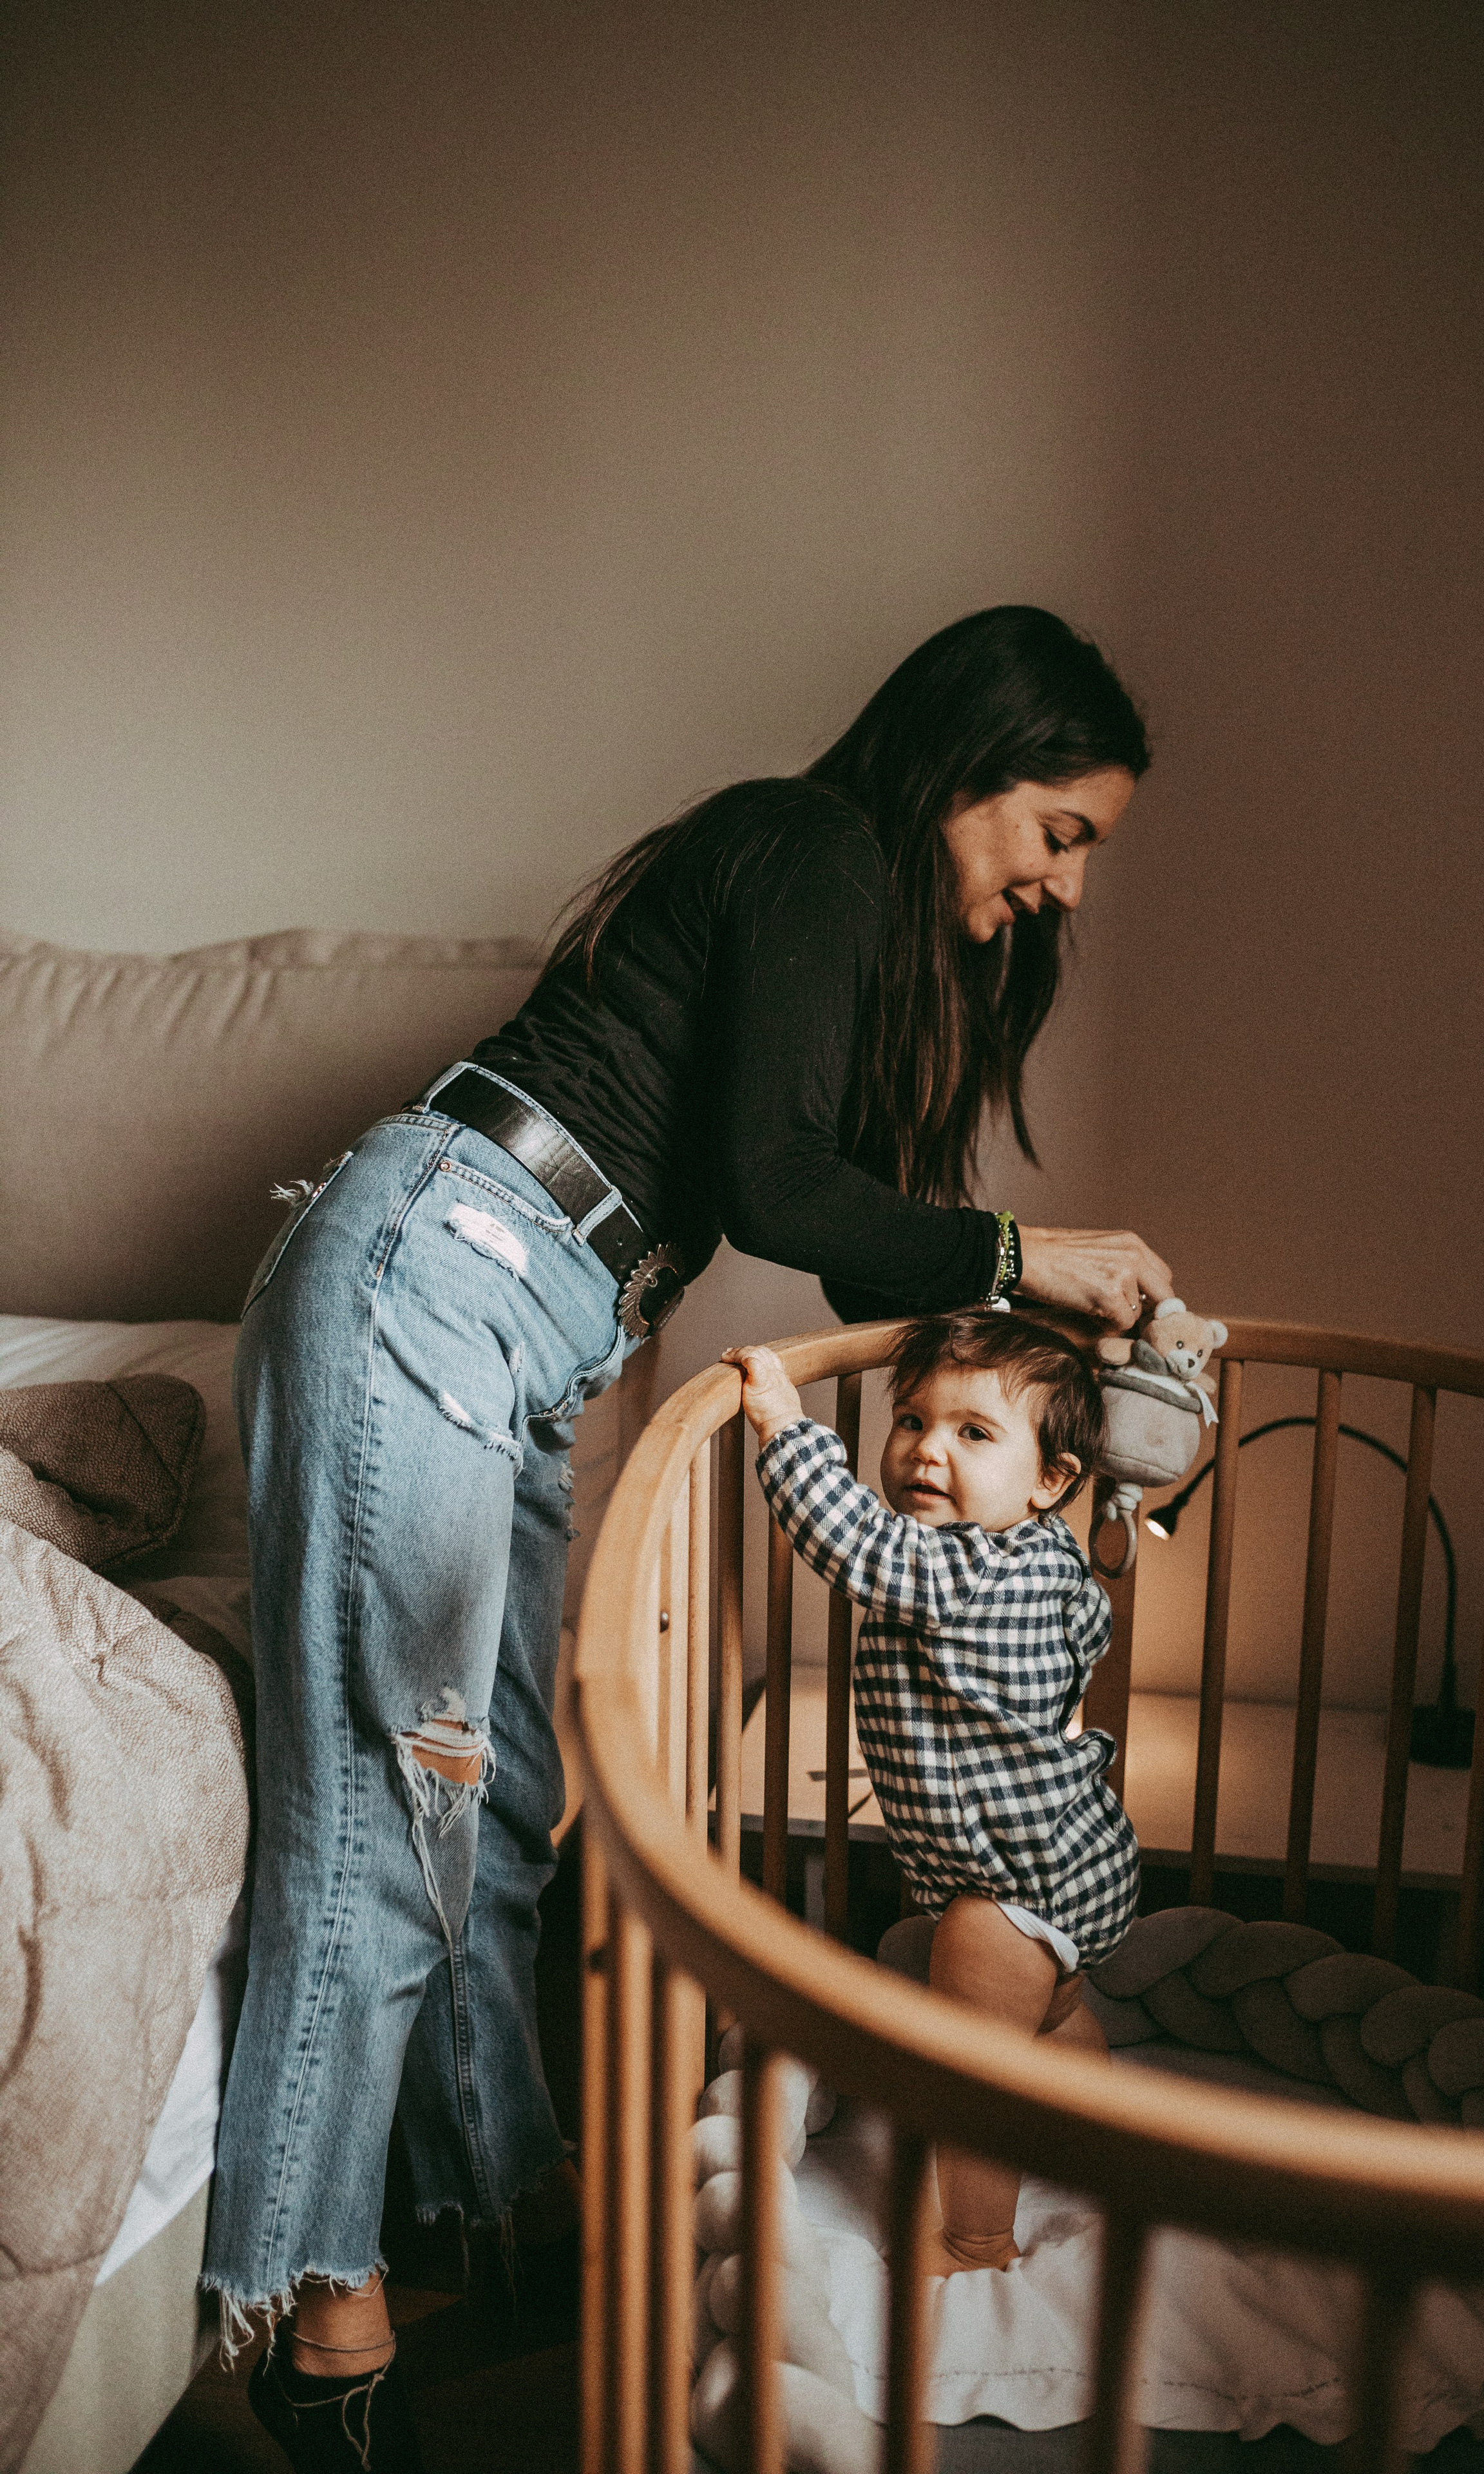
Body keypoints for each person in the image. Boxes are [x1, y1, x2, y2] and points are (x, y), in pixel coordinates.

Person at [206, 604, 1173, 2468]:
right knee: (387, 1785)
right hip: (436, 1263)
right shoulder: (807, 840)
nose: (1063, 889)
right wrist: (1030, 1256)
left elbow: (803, 1214)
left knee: (493, 1798)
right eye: (1061, 833)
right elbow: (777, 1186)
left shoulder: (846, 916)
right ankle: (315, 2307)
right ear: (972, 766)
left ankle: (500, 2206)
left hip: (528, 1319)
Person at [727, 1311, 1136, 2277]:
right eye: (911, 1420)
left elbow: (853, 1541)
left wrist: (785, 1427)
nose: (924, 1452)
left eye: (973, 1433)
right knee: (1049, 2018)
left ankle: (975, 2236)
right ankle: (1108, 2141)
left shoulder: (964, 1573)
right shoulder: (1041, 1558)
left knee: (974, 2071)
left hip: (1007, 1899)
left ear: (1050, 1482)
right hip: (1069, 1866)